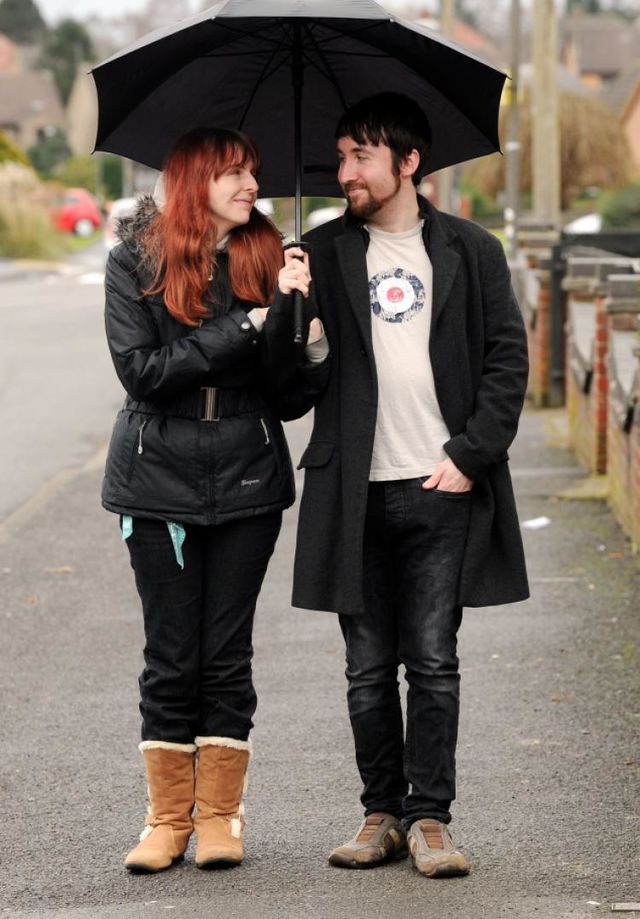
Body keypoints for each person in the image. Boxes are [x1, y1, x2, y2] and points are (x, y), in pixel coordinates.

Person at [292, 93, 529, 877]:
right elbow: (291, 390)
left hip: (440, 485)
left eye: (361, 156)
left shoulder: (472, 249)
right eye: (341, 156)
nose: (345, 172)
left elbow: (506, 359)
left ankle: (430, 818)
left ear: (408, 161)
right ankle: (381, 813)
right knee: (366, 668)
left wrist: (470, 454)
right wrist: (295, 319)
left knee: (431, 660)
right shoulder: (321, 254)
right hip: (352, 490)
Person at [101, 127, 329, 874]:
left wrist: (305, 337)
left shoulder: (271, 260)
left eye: (252, 172)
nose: (250, 185)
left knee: (227, 652)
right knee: (170, 653)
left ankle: (221, 817)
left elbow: (287, 398)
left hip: (247, 476)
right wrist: (247, 324)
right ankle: (168, 819)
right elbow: (144, 372)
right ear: (195, 180)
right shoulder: (135, 262)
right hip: (156, 477)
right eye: (233, 172)